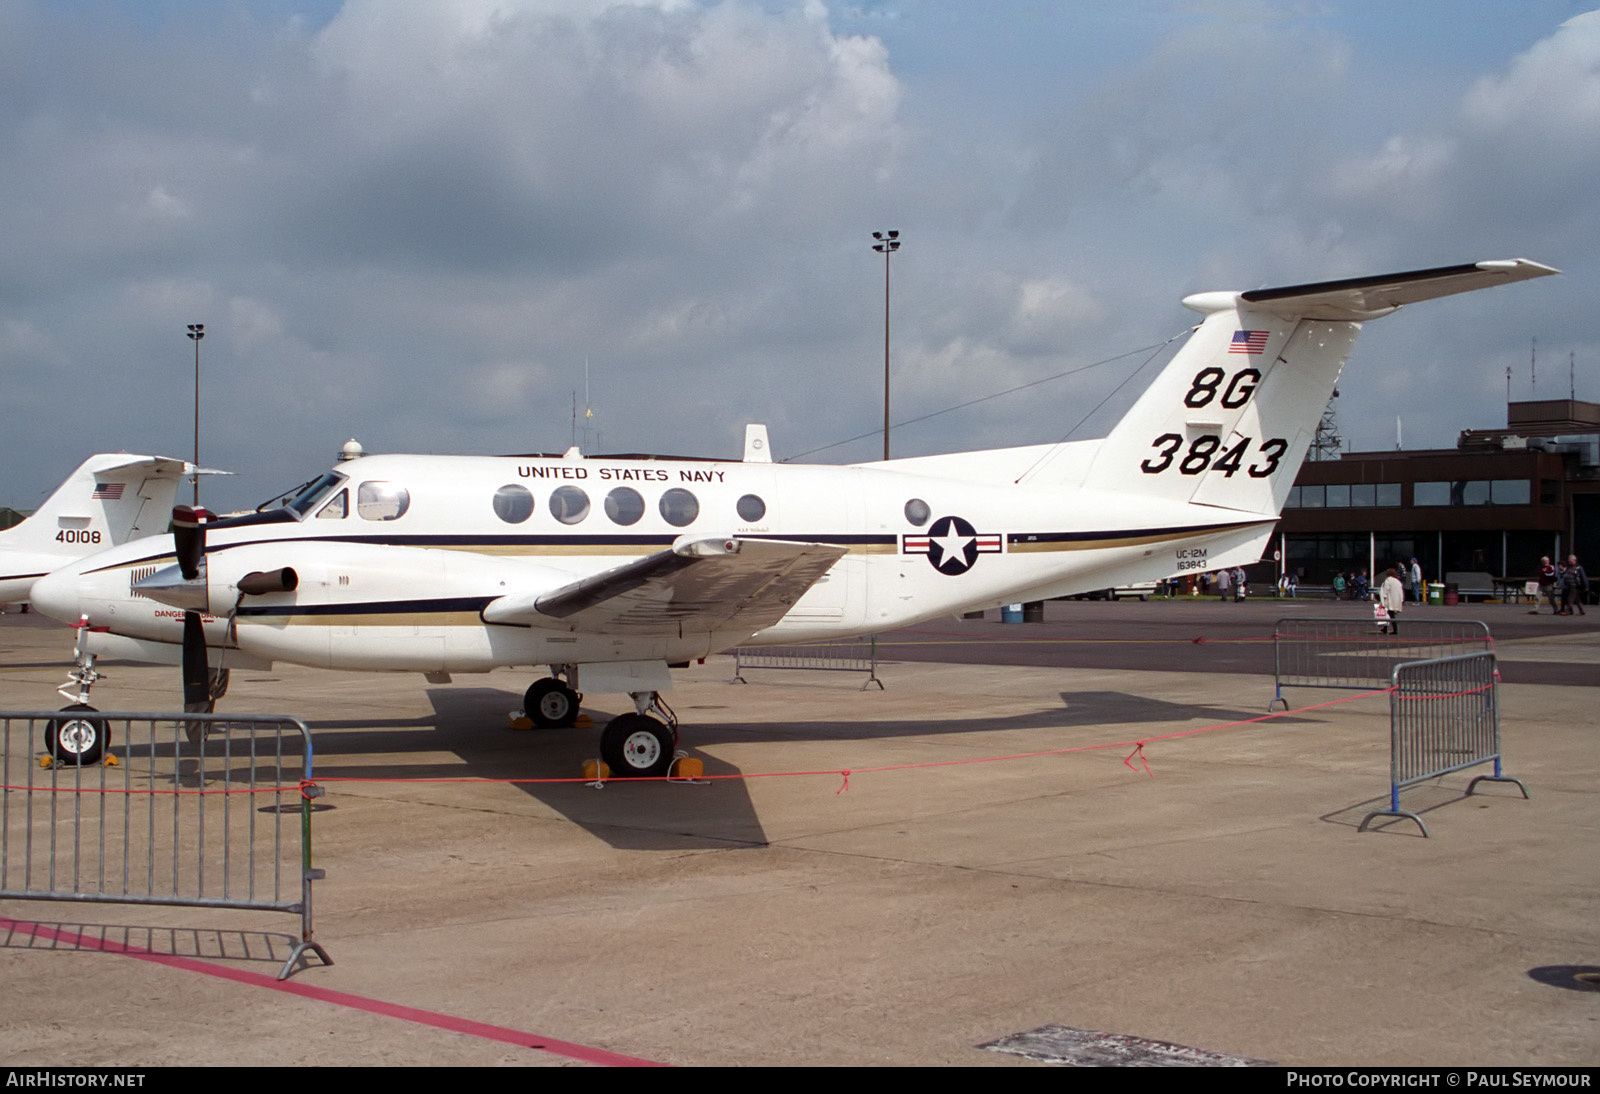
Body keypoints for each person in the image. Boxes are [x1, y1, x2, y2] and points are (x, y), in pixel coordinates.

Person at [1379, 567, 1405, 635]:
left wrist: (1382, 600)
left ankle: (1393, 629)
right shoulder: (1398, 581)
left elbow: (1385, 591)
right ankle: (1386, 628)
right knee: (1390, 615)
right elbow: (1401, 592)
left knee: (1389, 615)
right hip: (1397, 601)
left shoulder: (1388, 580)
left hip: (1390, 601)